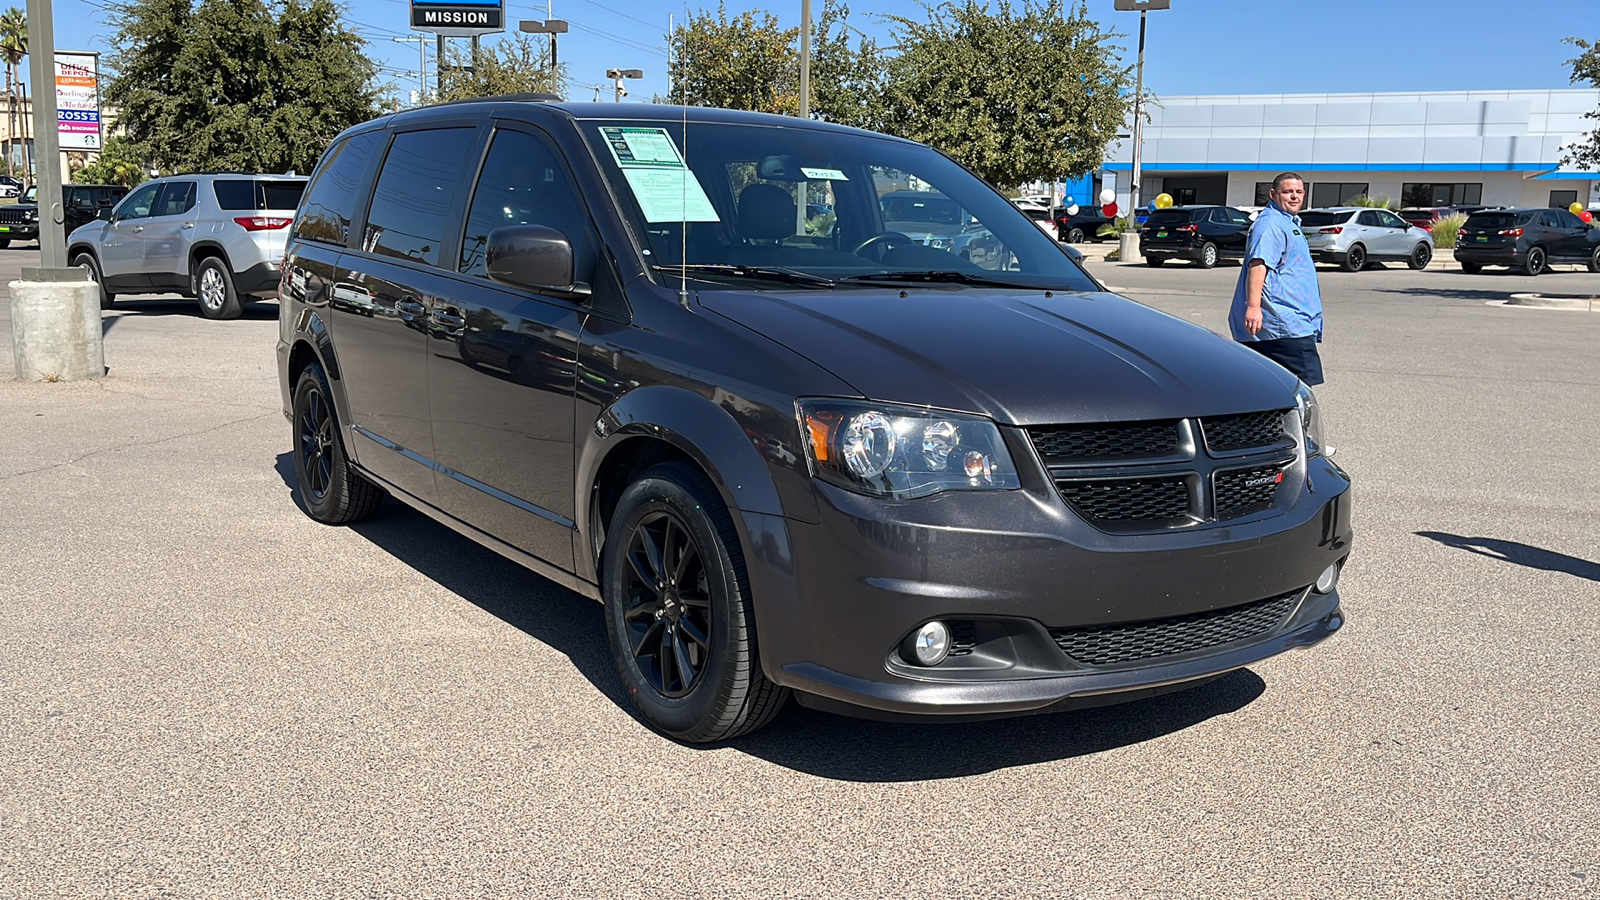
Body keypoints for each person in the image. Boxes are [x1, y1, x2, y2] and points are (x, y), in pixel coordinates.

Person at [1228, 172, 1324, 385]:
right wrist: (1253, 307)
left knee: (1276, 387)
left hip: (1292, 323)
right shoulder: (1270, 224)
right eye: (1287, 192)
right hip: (1280, 325)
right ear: (1273, 194)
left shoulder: (1288, 222)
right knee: (1295, 389)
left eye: (1298, 192)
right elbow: (1258, 265)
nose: (1294, 197)